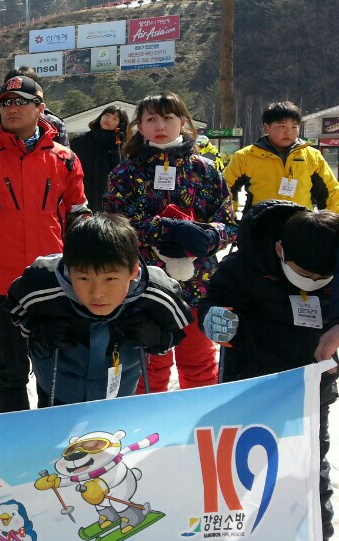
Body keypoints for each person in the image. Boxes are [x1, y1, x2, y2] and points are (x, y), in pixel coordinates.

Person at [9, 213, 191, 541]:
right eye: (84, 278)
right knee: (63, 485)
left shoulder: (156, 290)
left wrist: (157, 338)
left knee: (119, 482)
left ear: (132, 270)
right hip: (59, 398)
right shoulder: (41, 283)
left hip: (119, 406)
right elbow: (16, 312)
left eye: (110, 279)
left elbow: (178, 327)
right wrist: (39, 330)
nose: (97, 293)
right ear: (67, 269)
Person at [200, 201, 336, 541]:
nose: (313, 283)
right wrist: (214, 317)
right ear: (280, 250)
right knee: (245, 472)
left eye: (323, 278)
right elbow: (212, 300)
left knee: (308, 471)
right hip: (251, 386)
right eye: (305, 275)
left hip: (308, 390)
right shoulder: (243, 266)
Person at [0, 74, 87, 413]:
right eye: (6, 103)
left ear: (40, 108)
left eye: (21, 102)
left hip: (54, 282)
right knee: (8, 373)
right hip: (0, 284)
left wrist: (85, 272)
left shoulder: (65, 159)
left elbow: (79, 218)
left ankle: (53, 438)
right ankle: (11, 439)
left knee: (55, 371)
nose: (11, 108)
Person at [104, 92, 236, 392]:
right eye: (151, 119)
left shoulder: (206, 170)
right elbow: (115, 223)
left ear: (183, 122)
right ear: (139, 126)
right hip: (144, 286)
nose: (160, 125)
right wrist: (167, 229)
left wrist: (208, 236)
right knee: (148, 367)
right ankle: (149, 421)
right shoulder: (125, 173)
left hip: (198, 285)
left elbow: (228, 223)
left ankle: (198, 418)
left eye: (168, 118)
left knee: (200, 364)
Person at [224, 101, 339, 214]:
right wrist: (228, 219)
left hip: (300, 223)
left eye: (294, 127)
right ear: (266, 127)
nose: (288, 132)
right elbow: (225, 190)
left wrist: (331, 222)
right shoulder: (245, 157)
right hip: (260, 223)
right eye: (282, 126)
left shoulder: (312, 156)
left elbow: (331, 193)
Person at [70, 105, 128, 211]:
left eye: (115, 119)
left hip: (107, 205)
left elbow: (121, 177)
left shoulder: (120, 148)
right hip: (80, 200)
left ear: (121, 125)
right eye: (107, 115)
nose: (109, 119)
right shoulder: (79, 141)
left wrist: (117, 147)